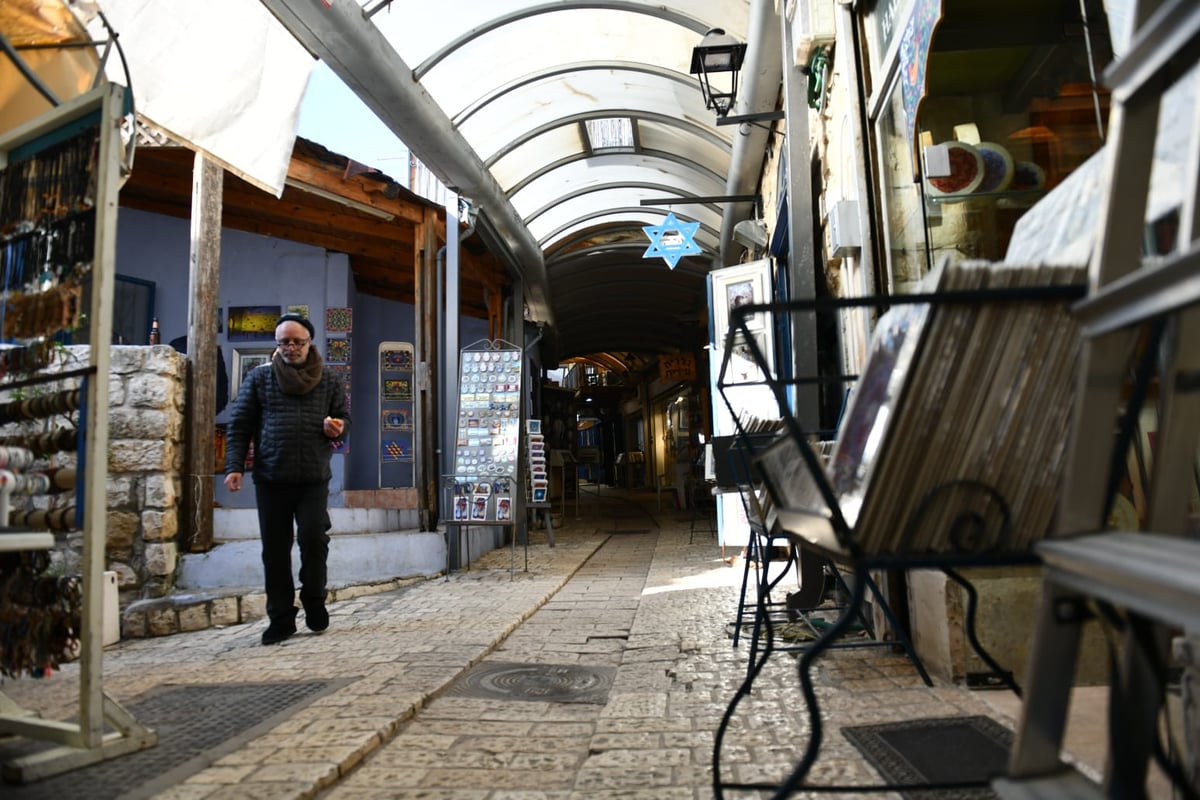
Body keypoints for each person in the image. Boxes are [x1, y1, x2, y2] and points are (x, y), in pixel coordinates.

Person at [223, 313, 350, 645]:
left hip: (312, 476)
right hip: (271, 477)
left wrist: (337, 428)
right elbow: (240, 424)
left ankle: (314, 600)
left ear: (310, 342)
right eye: (284, 342)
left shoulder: (330, 379)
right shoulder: (259, 378)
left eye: (297, 341)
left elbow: (344, 418)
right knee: (275, 551)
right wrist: (234, 466)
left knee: (313, 539)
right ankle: (280, 618)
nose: (291, 347)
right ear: (277, 345)